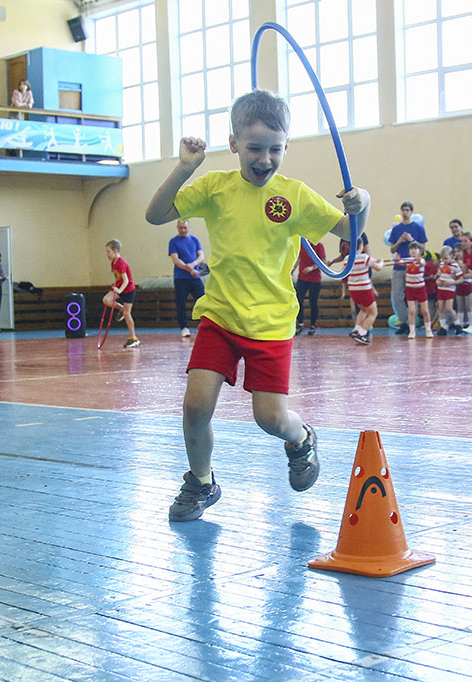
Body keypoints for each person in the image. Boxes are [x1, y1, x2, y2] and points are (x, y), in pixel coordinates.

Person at [144, 89, 370, 522]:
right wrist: (184, 168)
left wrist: (365, 203)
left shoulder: (296, 196)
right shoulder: (215, 187)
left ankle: (300, 437)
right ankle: (201, 481)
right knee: (195, 406)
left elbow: (350, 231)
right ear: (233, 145)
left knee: (269, 418)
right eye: (254, 148)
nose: (264, 159)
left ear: (286, 146)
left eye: (275, 149)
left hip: (270, 323)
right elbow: (156, 215)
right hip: (221, 315)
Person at [388, 202, 427, 334]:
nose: (405, 212)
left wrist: (411, 240)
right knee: (397, 295)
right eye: (403, 210)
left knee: (413, 296)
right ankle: (403, 322)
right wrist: (399, 241)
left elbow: (423, 249)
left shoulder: (418, 228)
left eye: (407, 210)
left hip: (414, 267)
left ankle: (412, 323)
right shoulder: (396, 229)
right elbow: (392, 249)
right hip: (399, 266)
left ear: (411, 212)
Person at [168, 219, 204, 338]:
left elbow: (201, 256)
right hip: (181, 278)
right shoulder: (173, 241)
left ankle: (204, 326)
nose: (183, 230)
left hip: (195, 277)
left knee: (202, 300)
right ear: (177, 228)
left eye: (185, 227)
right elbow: (176, 260)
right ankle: (184, 327)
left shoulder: (195, 239)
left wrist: (193, 265)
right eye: (180, 228)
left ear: (188, 227)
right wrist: (189, 269)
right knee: (181, 303)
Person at [345, 238, 384, 345]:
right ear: (361, 246)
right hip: (364, 289)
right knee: (373, 313)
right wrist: (381, 262)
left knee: (364, 310)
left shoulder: (347, 258)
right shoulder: (364, 257)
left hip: (353, 289)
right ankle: (362, 333)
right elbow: (378, 268)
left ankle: (356, 330)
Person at [104, 239, 139, 349]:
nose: (107, 254)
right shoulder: (113, 262)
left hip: (127, 290)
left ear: (115, 251)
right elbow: (118, 278)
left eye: (108, 251)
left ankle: (133, 338)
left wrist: (119, 290)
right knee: (106, 300)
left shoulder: (121, 262)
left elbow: (126, 280)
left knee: (127, 314)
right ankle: (121, 308)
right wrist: (115, 286)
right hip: (119, 287)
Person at [399, 241, 432, 339]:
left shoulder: (421, 261)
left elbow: (421, 262)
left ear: (420, 251)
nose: (413, 251)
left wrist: (416, 259)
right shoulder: (408, 261)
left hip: (420, 289)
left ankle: (428, 329)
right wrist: (398, 259)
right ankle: (412, 331)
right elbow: (400, 262)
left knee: (425, 310)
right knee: (412, 311)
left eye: (415, 249)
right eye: (411, 249)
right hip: (410, 289)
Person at [294, 239, 326, 335]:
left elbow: (323, 261)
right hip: (302, 277)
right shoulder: (302, 244)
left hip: (315, 279)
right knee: (298, 300)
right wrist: (293, 269)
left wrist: (312, 268)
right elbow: (299, 258)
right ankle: (300, 324)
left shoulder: (319, 245)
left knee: (313, 302)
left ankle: (312, 325)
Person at [435, 245, 463, 335]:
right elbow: (438, 275)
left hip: (449, 289)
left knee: (449, 308)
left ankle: (458, 324)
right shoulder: (442, 264)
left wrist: (451, 283)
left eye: (446, 258)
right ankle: (443, 327)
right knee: (440, 308)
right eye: (442, 259)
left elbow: (461, 279)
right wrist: (437, 281)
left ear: (452, 256)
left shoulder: (455, 266)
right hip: (441, 288)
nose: (444, 261)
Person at [452, 243, 472, 331]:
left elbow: (469, 271)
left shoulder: (467, 260)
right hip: (459, 285)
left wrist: (461, 264)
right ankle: (460, 324)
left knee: (468, 306)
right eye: (455, 252)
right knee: (460, 306)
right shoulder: (453, 262)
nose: (457, 253)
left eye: (459, 251)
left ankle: (471, 324)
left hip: (467, 284)